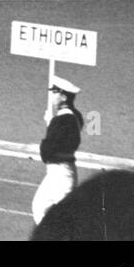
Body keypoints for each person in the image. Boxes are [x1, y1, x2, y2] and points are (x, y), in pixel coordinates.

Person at [32, 76, 83, 225]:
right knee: (40, 207)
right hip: (61, 172)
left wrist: (52, 123)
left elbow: (48, 149)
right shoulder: (75, 116)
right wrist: (53, 120)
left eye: (55, 93)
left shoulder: (62, 120)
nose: (53, 96)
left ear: (64, 97)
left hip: (60, 173)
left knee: (51, 213)